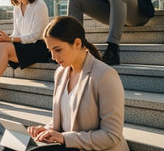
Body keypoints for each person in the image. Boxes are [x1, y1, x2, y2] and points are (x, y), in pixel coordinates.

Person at [27, 16, 129, 151]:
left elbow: (111, 135)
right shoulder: (60, 73)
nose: (53, 57)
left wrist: (64, 138)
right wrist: (45, 130)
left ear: (77, 43)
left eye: (57, 50)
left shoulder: (105, 75)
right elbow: (66, 120)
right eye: (50, 50)